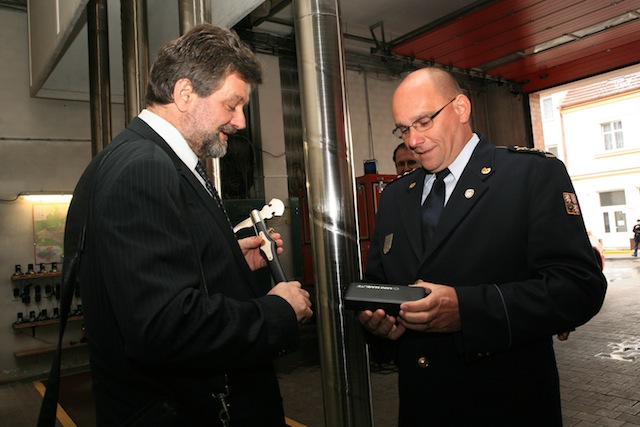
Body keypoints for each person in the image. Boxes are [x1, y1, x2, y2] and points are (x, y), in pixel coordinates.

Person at [66, 24, 312, 426]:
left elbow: (149, 280)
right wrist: (278, 311)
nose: (241, 122)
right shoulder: (144, 168)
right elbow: (164, 328)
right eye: (232, 105)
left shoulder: (140, 158)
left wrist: (224, 259)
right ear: (184, 93)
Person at [357, 67, 607, 426]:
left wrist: (467, 310)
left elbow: (580, 287)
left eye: (424, 122)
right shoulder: (396, 196)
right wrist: (378, 325)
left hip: (505, 407)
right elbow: (379, 284)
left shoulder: (530, 175)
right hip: (422, 408)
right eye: (403, 129)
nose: (412, 140)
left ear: (461, 108)